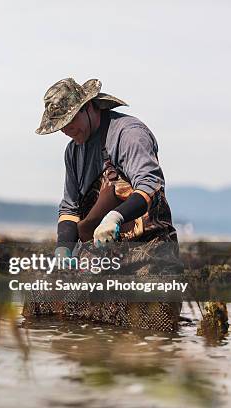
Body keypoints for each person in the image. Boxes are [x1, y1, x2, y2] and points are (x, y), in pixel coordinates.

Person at [26, 78, 181, 331]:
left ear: (90, 108)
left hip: (149, 251)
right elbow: (69, 209)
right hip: (99, 257)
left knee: (151, 318)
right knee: (41, 294)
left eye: (69, 122)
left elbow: (150, 185)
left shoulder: (128, 134)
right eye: (60, 126)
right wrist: (63, 249)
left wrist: (115, 217)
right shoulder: (73, 152)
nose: (65, 130)